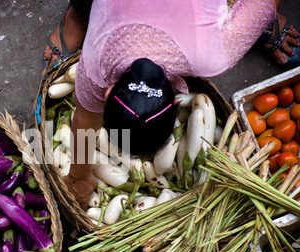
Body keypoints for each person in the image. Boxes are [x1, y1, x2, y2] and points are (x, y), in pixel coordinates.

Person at [42, 0, 300, 209]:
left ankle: (261, 21)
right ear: (177, 104)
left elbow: (85, 120)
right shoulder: (97, 58)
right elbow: (85, 121)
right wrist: (79, 176)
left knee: (260, 10)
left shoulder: (215, 53)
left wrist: (260, 12)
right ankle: (79, 12)